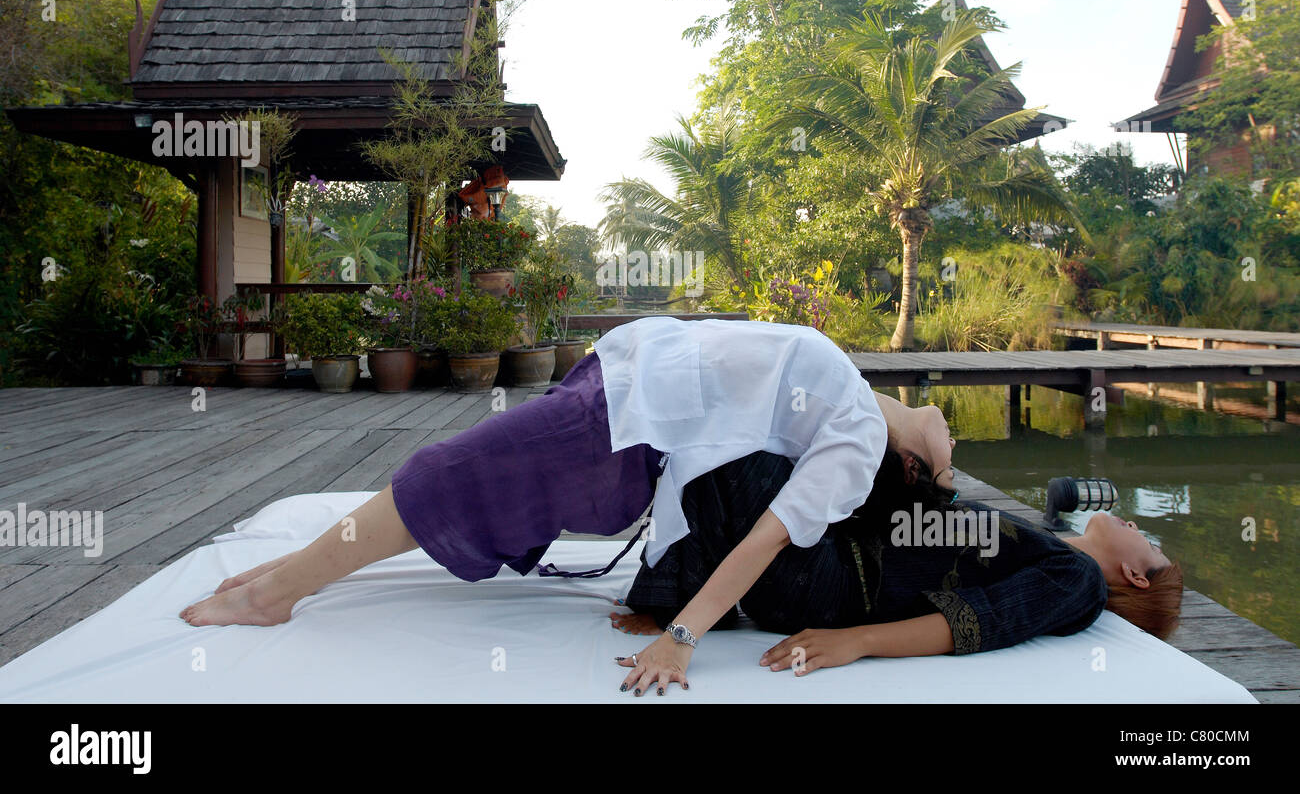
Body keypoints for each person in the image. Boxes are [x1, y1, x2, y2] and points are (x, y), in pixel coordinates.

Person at [180, 317, 957, 698]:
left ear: (912, 464)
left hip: (622, 433)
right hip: (619, 382)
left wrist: (684, 635)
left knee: (447, 476)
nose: (955, 450)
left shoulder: (858, 444)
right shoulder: (861, 399)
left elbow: (763, 539)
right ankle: (290, 571)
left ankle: (278, 593)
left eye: (944, 467)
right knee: (452, 475)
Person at [610, 448, 1182, 677]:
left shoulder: (1079, 582)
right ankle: (679, 597)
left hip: (834, 585)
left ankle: (675, 608)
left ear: (1135, 577)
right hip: (834, 550)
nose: (1137, 527)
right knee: (751, 445)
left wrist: (857, 641)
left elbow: (977, 620)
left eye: (1150, 545)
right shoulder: (1050, 545)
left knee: (740, 461)